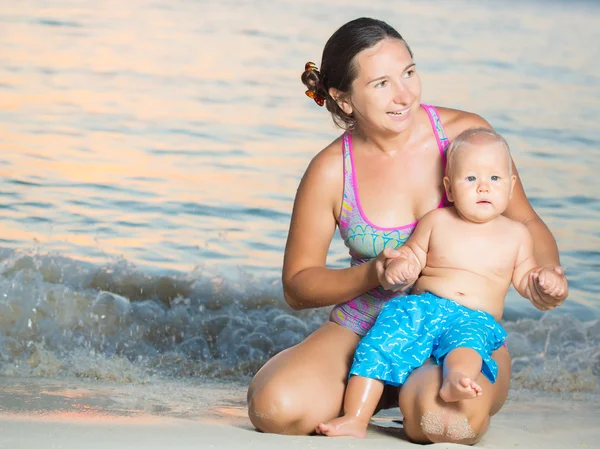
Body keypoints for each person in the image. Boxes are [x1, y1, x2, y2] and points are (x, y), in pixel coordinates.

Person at [246, 17, 568, 444]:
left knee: (443, 423)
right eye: (381, 83)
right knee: (275, 408)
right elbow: (298, 284)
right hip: (365, 324)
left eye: (409, 73)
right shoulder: (330, 172)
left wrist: (546, 274)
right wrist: (372, 274)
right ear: (343, 99)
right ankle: (370, 388)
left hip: (458, 329)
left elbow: (525, 221)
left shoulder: (463, 136)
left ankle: (415, 391)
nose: (405, 95)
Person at [315, 127, 567, 439]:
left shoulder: (516, 235)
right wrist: (401, 267)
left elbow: (526, 280)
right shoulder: (437, 222)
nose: (483, 188)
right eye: (471, 179)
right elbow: (412, 254)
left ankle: (455, 381)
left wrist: (546, 281)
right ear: (449, 188)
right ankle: (355, 416)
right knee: (375, 348)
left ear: (512, 186)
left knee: (466, 347)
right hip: (420, 308)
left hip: (473, 316)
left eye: (495, 179)